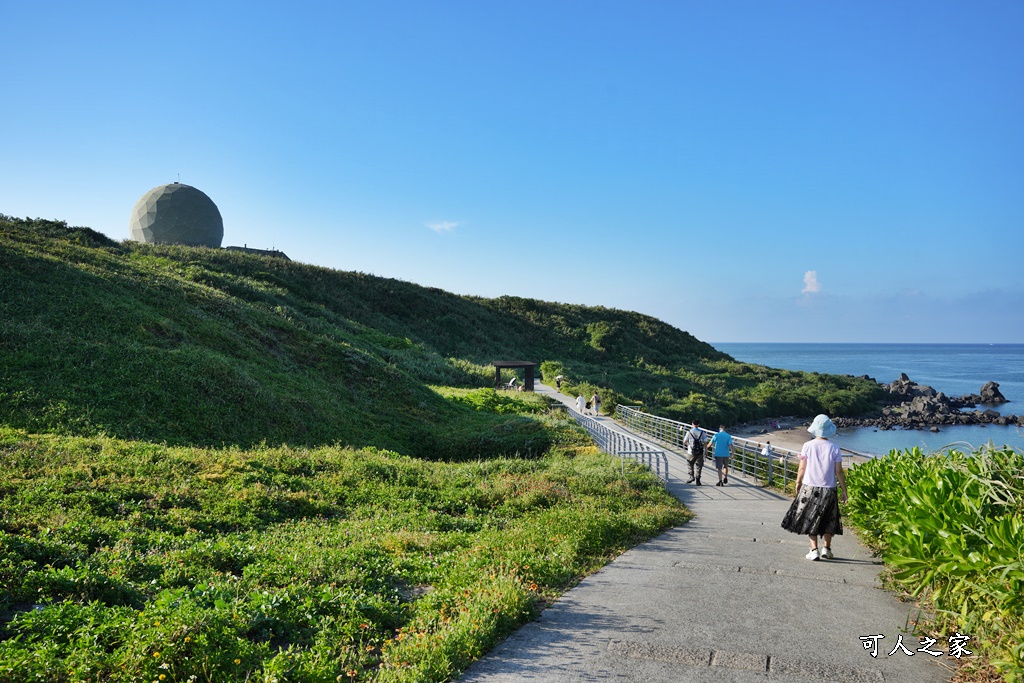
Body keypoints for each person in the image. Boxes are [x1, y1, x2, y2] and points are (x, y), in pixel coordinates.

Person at [781, 414, 848, 561]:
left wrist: (798, 483)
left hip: (809, 487)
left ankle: (814, 550)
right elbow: (839, 472)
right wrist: (844, 490)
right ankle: (827, 549)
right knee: (829, 519)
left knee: (810, 518)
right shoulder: (835, 448)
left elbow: (802, 468)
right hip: (829, 489)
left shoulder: (807, 446)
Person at [683, 421, 705, 485]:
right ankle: (698, 479)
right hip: (700, 451)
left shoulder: (689, 432)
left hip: (691, 451)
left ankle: (691, 476)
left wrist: (689, 445)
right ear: (699, 424)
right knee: (699, 466)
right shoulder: (702, 432)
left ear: (692, 424)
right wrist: (705, 450)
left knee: (690, 463)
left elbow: (685, 441)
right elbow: (705, 442)